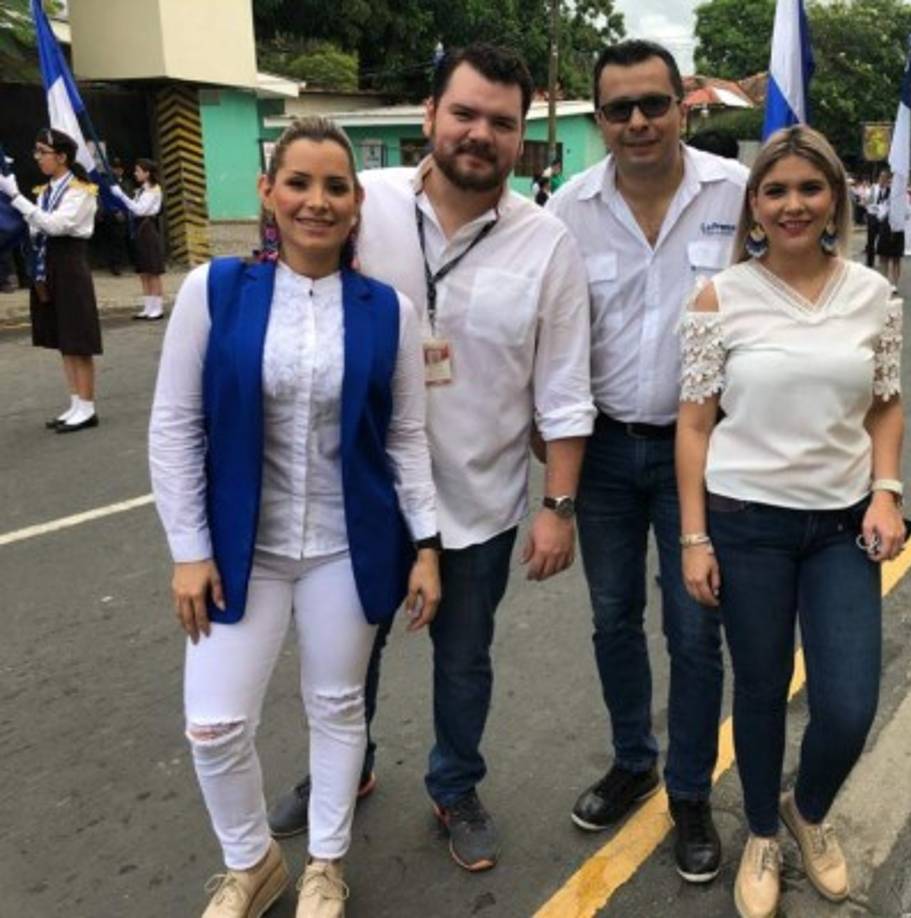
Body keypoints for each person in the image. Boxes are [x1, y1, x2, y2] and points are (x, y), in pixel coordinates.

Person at [266, 44, 596, 873]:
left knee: (464, 660)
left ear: (522, 139)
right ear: (429, 116)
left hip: (480, 501)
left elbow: (562, 390)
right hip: (362, 498)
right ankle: (346, 766)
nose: (479, 134)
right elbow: (289, 288)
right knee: (345, 656)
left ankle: (455, 786)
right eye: (465, 114)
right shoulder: (362, 202)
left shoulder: (547, 245)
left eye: (501, 122)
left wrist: (557, 508)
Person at [148, 115, 441, 918]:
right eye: (300, 183)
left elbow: (407, 438)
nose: (317, 201)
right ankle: (251, 862)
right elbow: (174, 426)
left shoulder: (389, 312)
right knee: (212, 725)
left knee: (339, 705)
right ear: (268, 193)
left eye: (335, 187)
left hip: (348, 547)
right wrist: (188, 550)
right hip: (244, 550)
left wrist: (425, 543)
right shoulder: (215, 292)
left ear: (355, 206)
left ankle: (324, 863)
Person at [675, 124, 905, 918]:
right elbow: (695, 425)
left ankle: (808, 811)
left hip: (842, 526)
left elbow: (885, 403)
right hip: (746, 523)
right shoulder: (719, 297)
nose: (793, 204)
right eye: (774, 191)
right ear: (753, 206)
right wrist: (694, 537)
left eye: (810, 188)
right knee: (763, 687)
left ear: (835, 198)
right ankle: (763, 833)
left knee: (848, 702)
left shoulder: (873, 294)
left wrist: (886, 491)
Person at [546, 38, 747, 884]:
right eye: (618, 108)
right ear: (599, 119)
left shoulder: (738, 195)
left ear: (682, 105)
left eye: (652, 104)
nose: (636, 122)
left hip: (701, 457)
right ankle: (634, 757)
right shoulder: (566, 208)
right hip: (601, 458)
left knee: (696, 631)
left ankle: (689, 792)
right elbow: (549, 340)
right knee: (611, 618)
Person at [0, 128, 103, 432]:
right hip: (47, 267)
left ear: (62, 156)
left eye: (42, 152)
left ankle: (88, 406)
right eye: (36, 151)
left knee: (78, 339)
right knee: (63, 339)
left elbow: (57, 225)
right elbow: (36, 227)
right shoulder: (45, 192)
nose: (38, 158)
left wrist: (15, 197)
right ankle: (75, 403)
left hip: (69, 265)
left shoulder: (82, 190)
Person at [110, 158, 166, 319]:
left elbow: (140, 209)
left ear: (147, 173)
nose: (135, 173)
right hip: (139, 229)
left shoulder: (154, 189)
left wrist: (122, 196)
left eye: (138, 171)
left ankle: (158, 308)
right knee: (143, 271)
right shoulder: (141, 190)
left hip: (148, 229)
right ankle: (148, 307)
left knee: (152, 270)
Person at [95, 155, 133, 276]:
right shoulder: (106, 181)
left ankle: (118, 264)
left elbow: (128, 197)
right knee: (108, 241)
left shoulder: (126, 182)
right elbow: (101, 197)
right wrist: (101, 213)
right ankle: (110, 264)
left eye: (119, 169)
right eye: (114, 168)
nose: (117, 171)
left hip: (122, 216)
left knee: (119, 241)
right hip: (108, 215)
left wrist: (123, 211)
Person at [864, 170, 889, 269]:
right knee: (871, 240)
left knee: (882, 241)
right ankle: (870, 263)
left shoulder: (889, 190)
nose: (882, 180)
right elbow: (867, 201)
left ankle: (882, 261)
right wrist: (870, 207)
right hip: (873, 216)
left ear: (887, 180)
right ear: (879, 178)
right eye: (881, 178)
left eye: (885, 178)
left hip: (882, 218)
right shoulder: (873, 188)